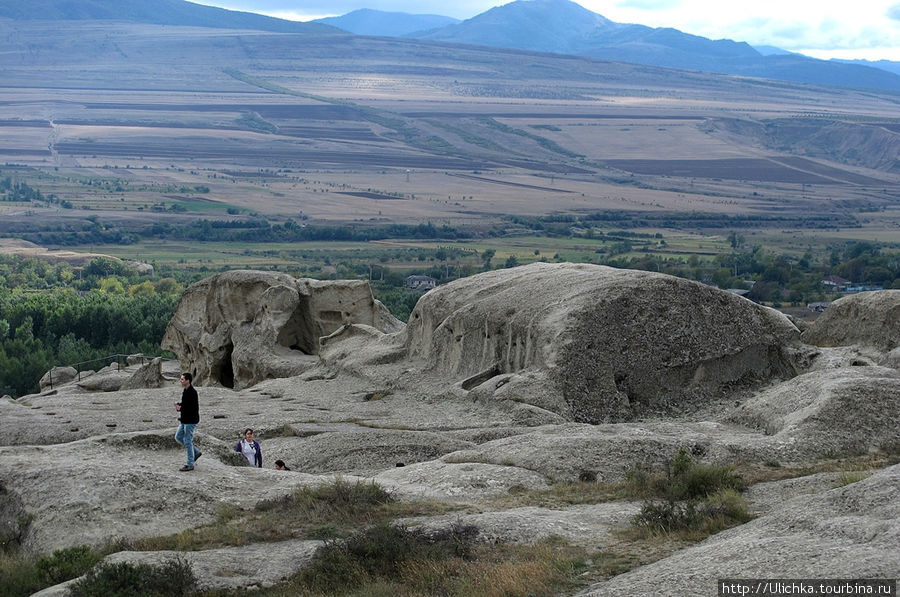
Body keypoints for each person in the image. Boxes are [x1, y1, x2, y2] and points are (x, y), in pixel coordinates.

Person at [174, 372, 201, 472]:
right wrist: (179, 406)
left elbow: (192, 408)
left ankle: (190, 464)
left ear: (187, 381)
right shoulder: (185, 391)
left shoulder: (192, 392)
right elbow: (185, 405)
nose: (180, 381)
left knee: (188, 441)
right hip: (185, 420)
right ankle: (196, 452)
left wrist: (181, 408)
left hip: (190, 420)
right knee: (178, 437)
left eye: (182, 379)